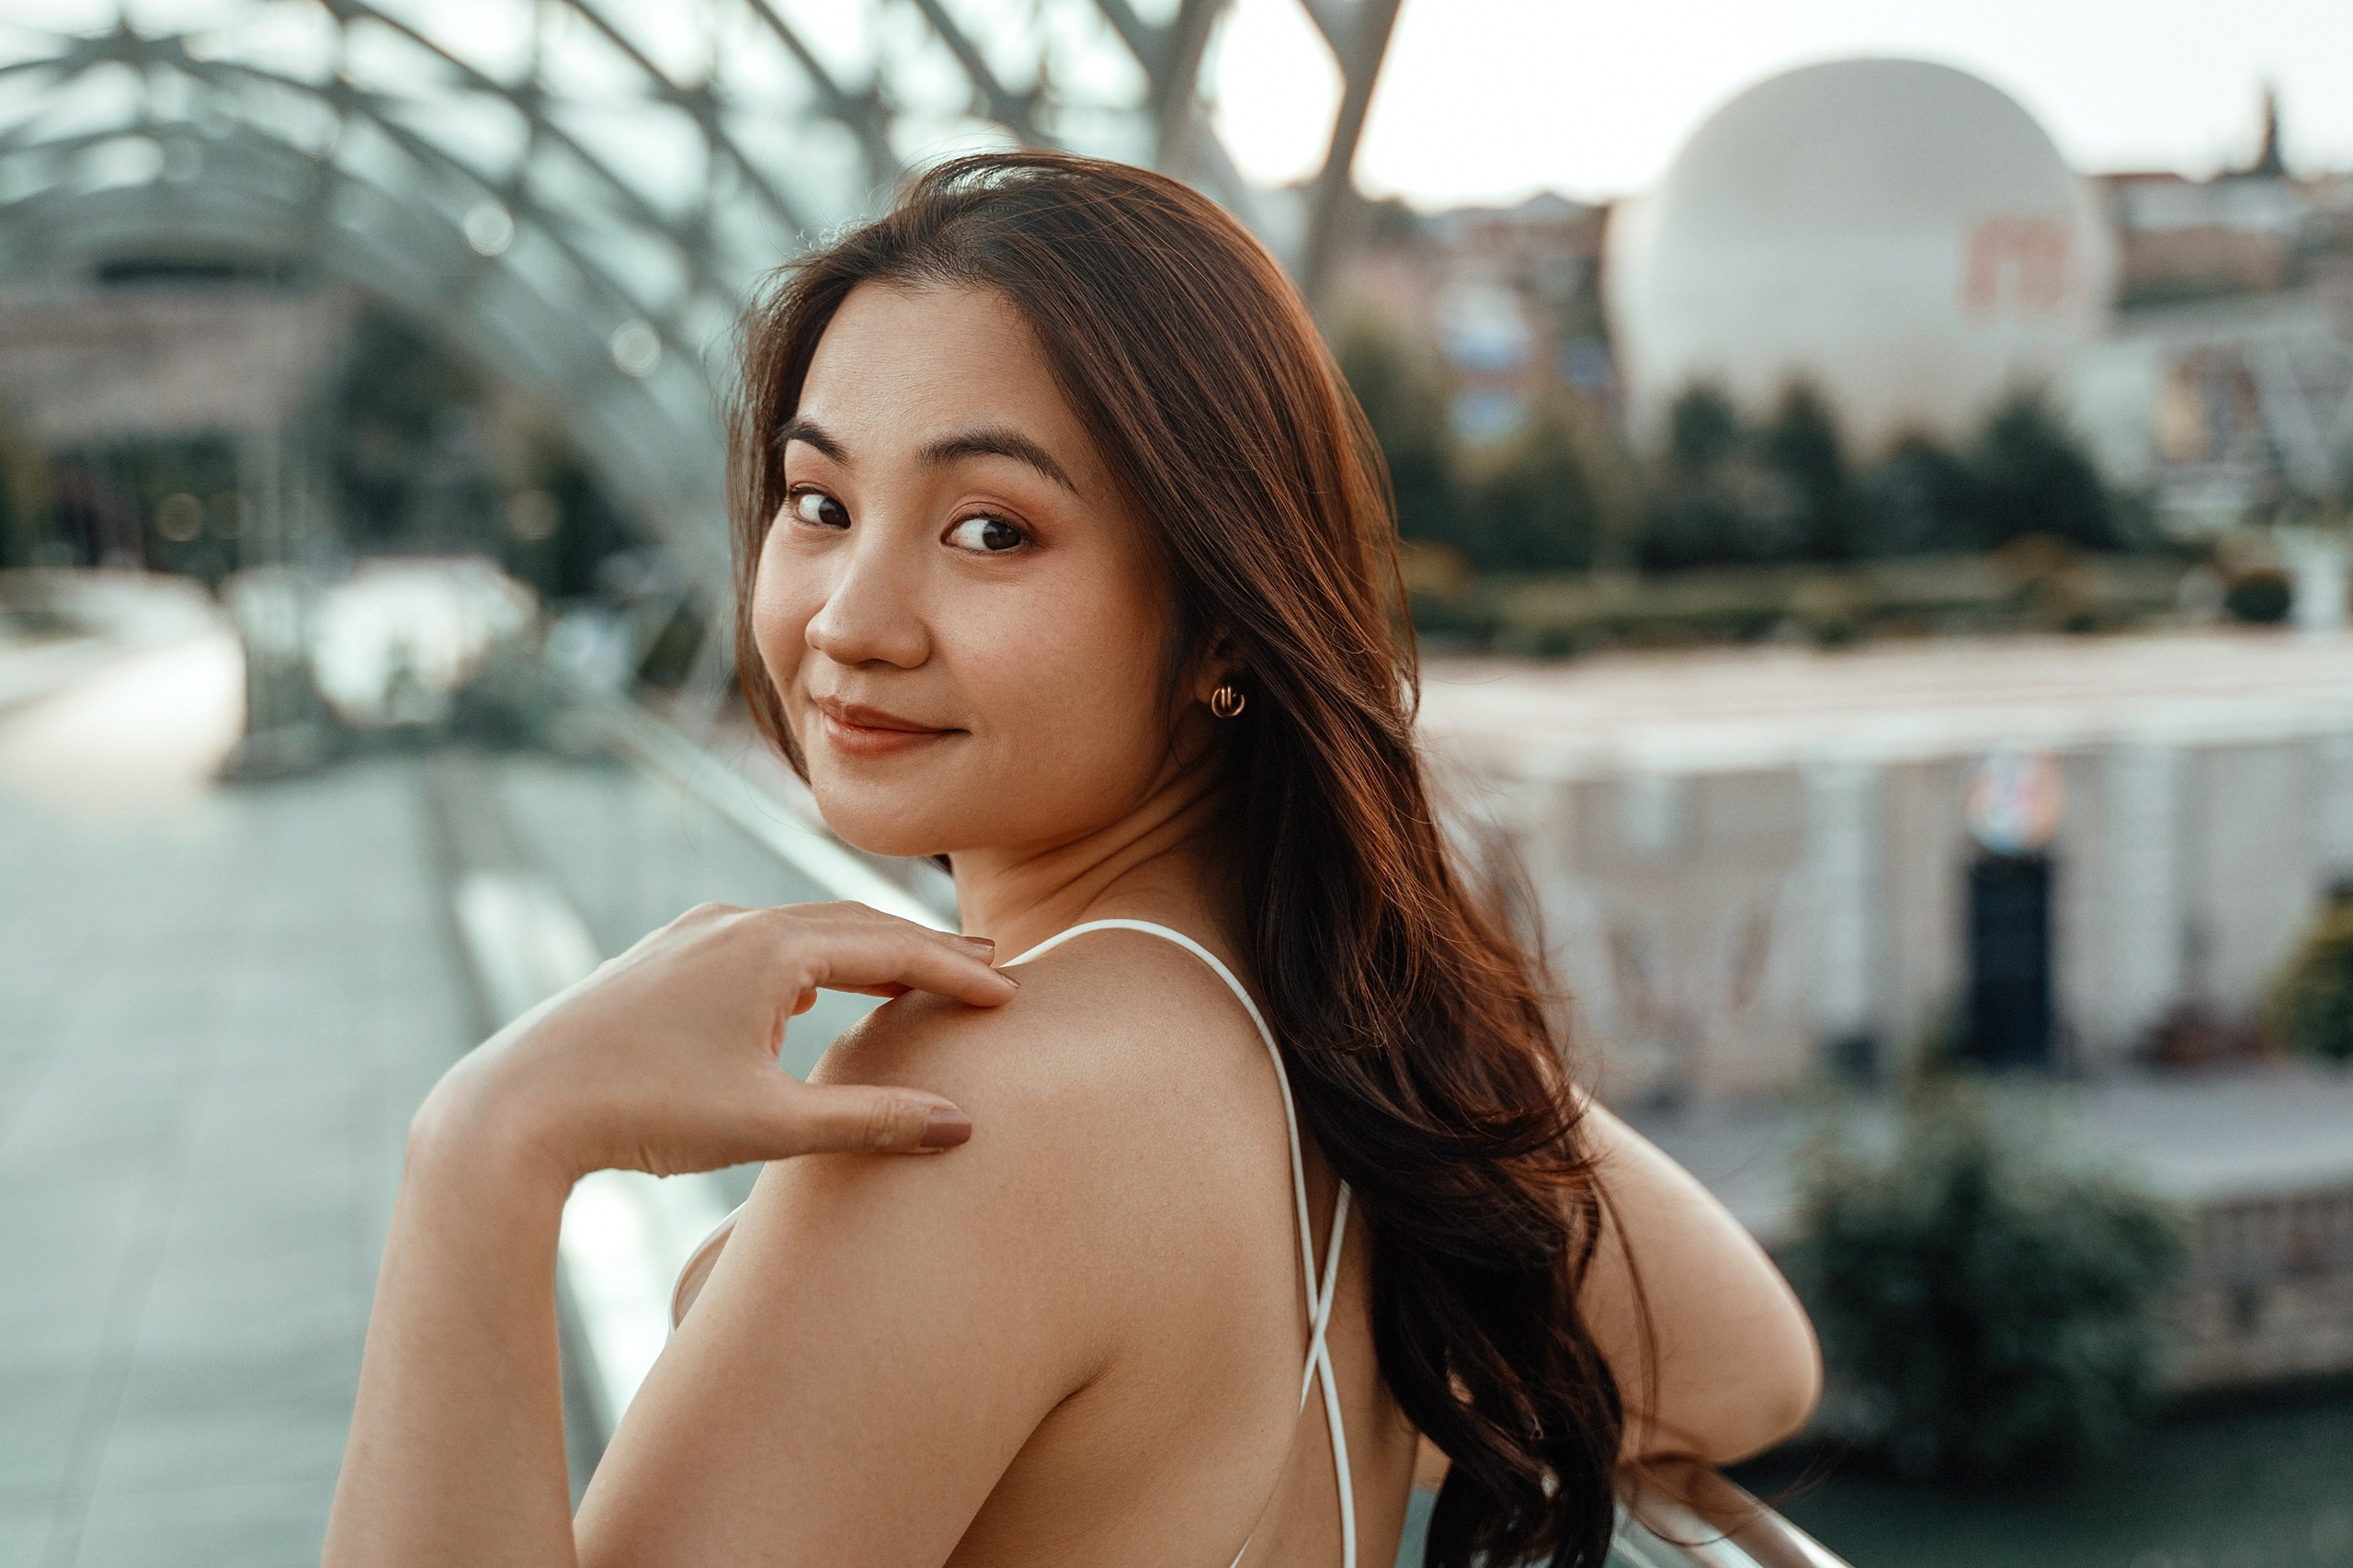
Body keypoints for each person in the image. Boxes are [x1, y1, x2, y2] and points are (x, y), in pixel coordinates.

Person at [324, 153, 1819, 1568]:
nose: (851, 618)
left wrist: (487, 1143)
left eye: (990, 529)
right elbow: (1747, 1361)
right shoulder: (1325, 1031)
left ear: (1223, 619)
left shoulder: (958, 1110)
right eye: (821, 503)